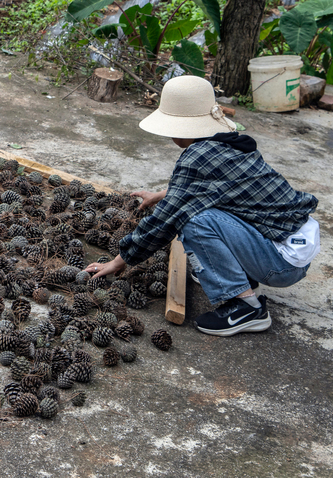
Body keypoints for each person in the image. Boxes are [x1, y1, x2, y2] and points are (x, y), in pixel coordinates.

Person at [84, 75, 319, 337]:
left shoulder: (197, 157)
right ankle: (236, 272)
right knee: (199, 210)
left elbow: (164, 221)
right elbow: (217, 188)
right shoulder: (226, 142)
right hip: (292, 246)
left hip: (280, 263)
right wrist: (163, 193)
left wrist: (120, 260)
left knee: (192, 220)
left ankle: (246, 307)